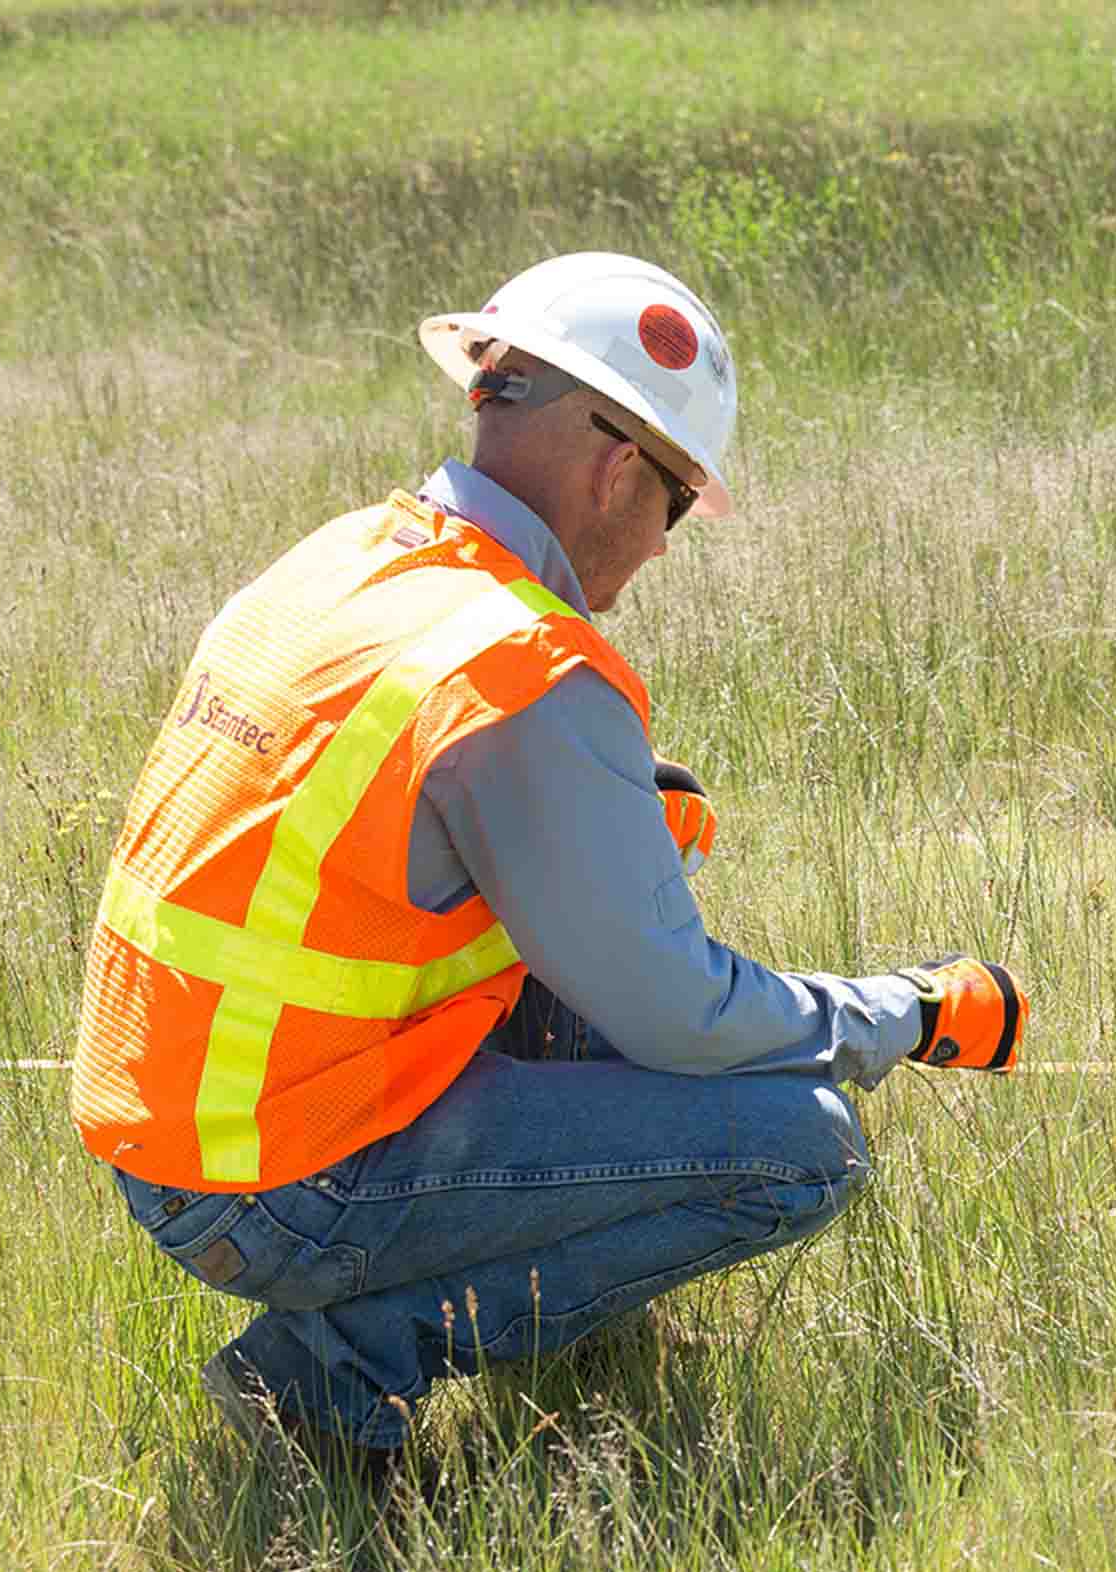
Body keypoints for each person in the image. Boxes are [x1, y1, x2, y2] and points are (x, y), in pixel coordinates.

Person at [69, 252, 1025, 1490]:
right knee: (802, 1142)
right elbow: (683, 1013)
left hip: (178, 1124)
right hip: (272, 1178)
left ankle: (570, 1325)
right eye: (678, 502)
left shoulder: (352, 559)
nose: (669, 544)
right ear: (619, 466)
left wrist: (618, 825)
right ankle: (328, 1374)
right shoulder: (521, 668)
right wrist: (914, 1013)